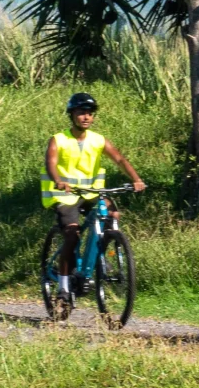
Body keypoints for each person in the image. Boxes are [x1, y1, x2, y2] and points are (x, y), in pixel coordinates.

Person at [42, 92, 146, 292]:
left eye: (90, 113)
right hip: (66, 194)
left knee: (112, 214)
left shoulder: (98, 140)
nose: (86, 117)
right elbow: (51, 163)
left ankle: (101, 257)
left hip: (91, 193)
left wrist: (136, 179)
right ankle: (63, 287)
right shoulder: (59, 139)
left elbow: (119, 160)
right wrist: (58, 181)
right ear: (72, 115)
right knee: (72, 236)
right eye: (81, 113)